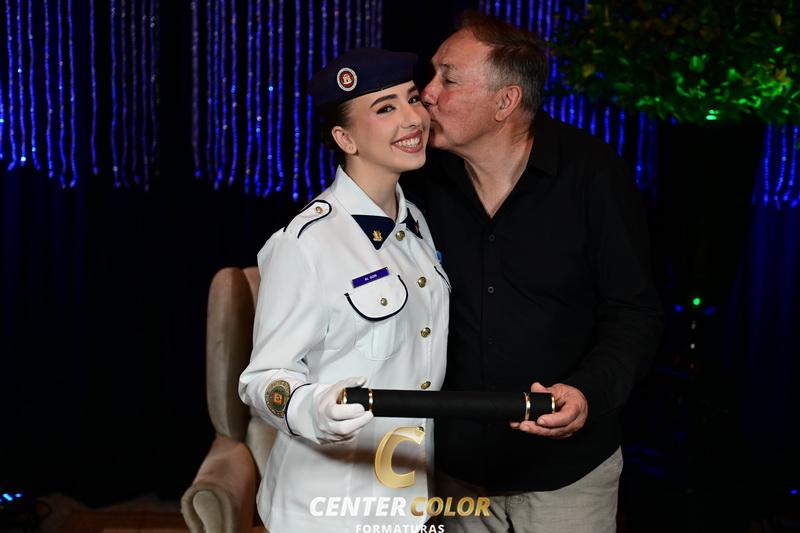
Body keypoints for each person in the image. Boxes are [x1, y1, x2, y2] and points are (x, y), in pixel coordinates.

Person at [401, 11, 664, 533]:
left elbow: (634, 311)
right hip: (455, 471)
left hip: (566, 475)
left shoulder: (591, 174)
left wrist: (586, 392)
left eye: (448, 79)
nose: (426, 94)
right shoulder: (417, 180)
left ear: (506, 102)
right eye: (432, 76)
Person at [238, 48, 449, 533]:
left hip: (407, 501)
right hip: (326, 508)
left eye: (412, 99)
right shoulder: (305, 243)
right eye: (385, 108)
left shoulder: (415, 223)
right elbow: (262, 380)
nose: (413, 118)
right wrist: (312, 409)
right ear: (345, 138)